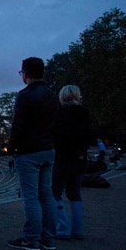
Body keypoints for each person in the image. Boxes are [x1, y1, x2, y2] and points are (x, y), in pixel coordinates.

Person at [6, 57, 60, 250]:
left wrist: (11, 148)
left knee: (30, 197)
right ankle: (49, 238)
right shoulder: (52, 95)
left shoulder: (25, 96)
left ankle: (31, 239)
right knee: (46, 195)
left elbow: (18, 126)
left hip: (29, 152)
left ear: (25, 74)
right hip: (48, 150)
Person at [52, 85, 91, 240]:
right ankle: (78, 230)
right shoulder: (84, 113)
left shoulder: (59, 114)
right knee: (74, 193)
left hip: (62, 158)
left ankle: (62, 228)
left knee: (54, 191)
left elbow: (56, 136)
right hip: (80, 158)